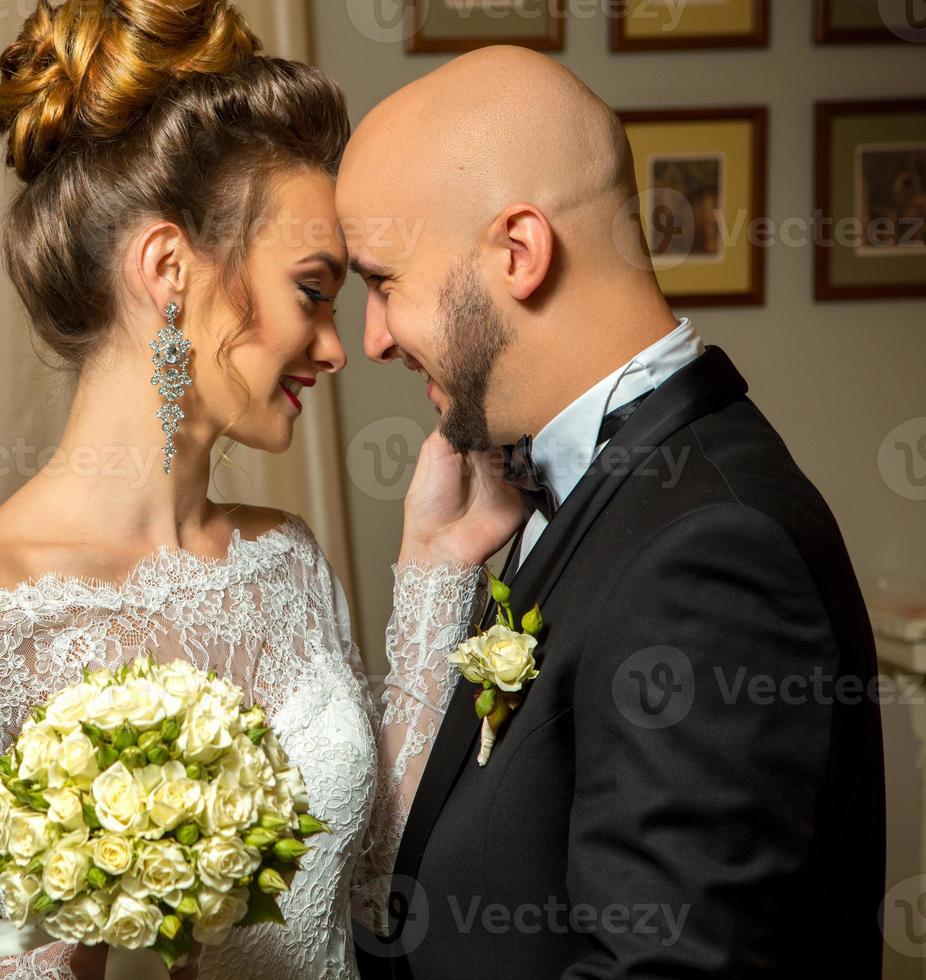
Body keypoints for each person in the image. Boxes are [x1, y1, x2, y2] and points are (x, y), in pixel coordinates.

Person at [0, 1, 504, 976]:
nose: (334, 345)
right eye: (313, 290)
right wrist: (60, 957)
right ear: (169, 270)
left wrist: (436, 566)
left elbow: (374, 879)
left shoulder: (283, 560)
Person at [339, 46, 886, 979]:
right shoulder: (571, 481)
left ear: (518, 252)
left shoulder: (714, 551)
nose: (374, 337)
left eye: (384, 281)